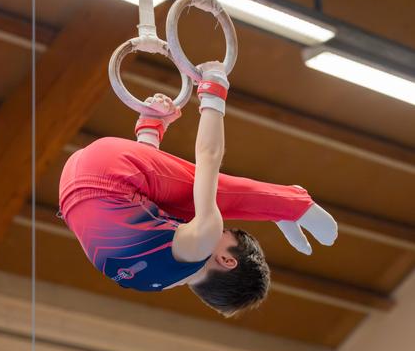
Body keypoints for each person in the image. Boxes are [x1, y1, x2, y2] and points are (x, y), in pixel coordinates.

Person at [59, 61, 337, 317]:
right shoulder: (156, 282)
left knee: (208, 191)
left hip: (106, 171)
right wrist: (151, 130)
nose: (224, 228)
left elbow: (209, 156)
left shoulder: (201, 242)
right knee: (175, 209)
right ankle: (150, 126)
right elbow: (136, 209)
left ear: (228, 260)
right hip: (73, 187)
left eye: (228, 233)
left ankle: (289, 204)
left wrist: (213, 93)